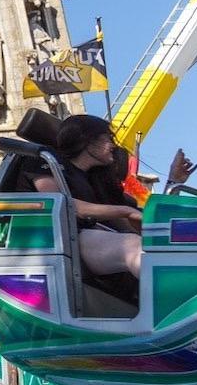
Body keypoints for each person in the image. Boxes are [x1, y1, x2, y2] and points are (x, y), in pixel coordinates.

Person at [32, 113, 142, 279]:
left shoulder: (96, 180)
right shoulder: (47, 162)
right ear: (87, 140)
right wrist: (126, 211)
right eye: (108, 138)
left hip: (97, 236)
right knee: (134, 247)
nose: (113, 146)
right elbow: (59, 203)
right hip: (65, 237)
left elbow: (122, 222)